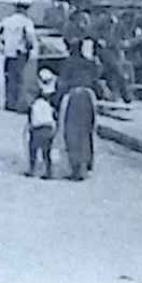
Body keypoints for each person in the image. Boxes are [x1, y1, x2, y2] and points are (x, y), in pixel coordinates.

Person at [56, 36, 102, 179]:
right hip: (89, 97)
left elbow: (62, 84)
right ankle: (86, 165)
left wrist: (56, 101)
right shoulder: (89, 64)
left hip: (73, 97)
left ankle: (75, 168)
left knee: (72, 133)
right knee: (87, 132)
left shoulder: (68, 63)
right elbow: (96, 80)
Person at [0, 1, 37, 112]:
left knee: (9, 78)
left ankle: (9, 103)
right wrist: (30, 47)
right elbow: (29, 38)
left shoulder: (8, 20)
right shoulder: (27, 22)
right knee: (21, 79)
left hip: (8, 53)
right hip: (20, 53)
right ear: (25, 9)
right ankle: (18, 104)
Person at [26, 67, 58, 180]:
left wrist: (29, 126)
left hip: (37, 127)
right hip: (48, 127)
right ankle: (49, 171)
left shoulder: (35, 103)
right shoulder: (50, 102)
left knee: (33, 149)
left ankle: (32, 169)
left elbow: (31, 116)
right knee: (46, 151)